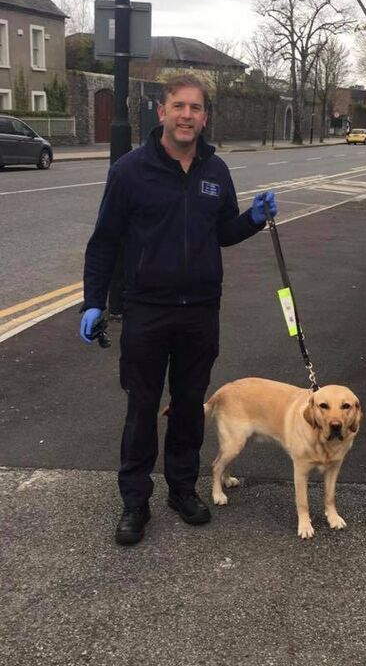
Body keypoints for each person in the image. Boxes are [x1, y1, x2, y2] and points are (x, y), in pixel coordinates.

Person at [80, 74, 277, 546]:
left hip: (200, 311)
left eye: (196, 107)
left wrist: (253, 218)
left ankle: (182, 490)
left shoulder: (216, 171)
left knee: (190, 406)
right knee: (142, 407)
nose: (187, 115)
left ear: (205, 116)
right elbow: (104, 241)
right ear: (162, 111)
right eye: (179, 106)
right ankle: (134, 501)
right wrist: (93, 302)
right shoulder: (130, 170)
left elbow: (223, 232)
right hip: (147, 310)